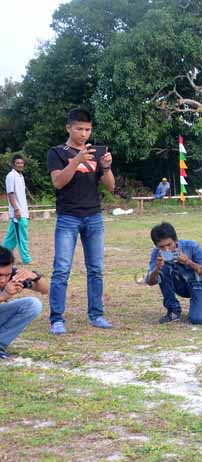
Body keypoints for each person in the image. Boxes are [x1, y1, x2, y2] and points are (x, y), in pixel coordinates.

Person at [47, 108, 115, 335]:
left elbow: (110, 186)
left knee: (95, 268)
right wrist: (75, 160)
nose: (84, 134)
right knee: (62, 270)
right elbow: (58, 182)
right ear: (69, 127)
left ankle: (96, 314)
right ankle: (56, 318)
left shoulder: (96, 153)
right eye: (79, 129)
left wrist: (105, 167)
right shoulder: (57, 152)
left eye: (88, 129)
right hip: (68, 216)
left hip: (94, 216)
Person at [145, 222, 202, 324]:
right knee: (163, 270)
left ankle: (199, 302)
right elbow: (150, 282)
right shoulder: (157, 253)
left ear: (176, 240)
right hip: (181, 284)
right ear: (156, 246)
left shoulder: (192, 246)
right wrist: (157, 268)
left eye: (169, 245)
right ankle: (173, 311)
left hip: (201, 283)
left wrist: (188, 262)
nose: (166, 249)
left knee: (198, 319)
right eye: (161, 247)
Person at [0, 246, 48, 359]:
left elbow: (45, 290)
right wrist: (4, 295)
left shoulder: (12, 274)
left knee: (32, 304)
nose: (3, 280)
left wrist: (35, 277)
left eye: (7, 275)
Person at [3, 154, 32, 264]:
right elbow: (10, 194)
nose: (20, 165)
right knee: (22, 237)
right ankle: (26, 259)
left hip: (23, 211)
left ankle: (2, 255)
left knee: (11, 239)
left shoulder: (20, 176)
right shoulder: (11, 176)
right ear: (13, 164)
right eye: (17, 163)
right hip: (18, 213)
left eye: (21, 163)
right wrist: (16, 210)